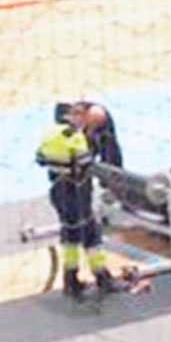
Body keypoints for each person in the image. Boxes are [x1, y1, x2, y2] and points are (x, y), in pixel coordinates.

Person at [34, 117, 116, 301]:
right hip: (77, 191)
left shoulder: (49, 134)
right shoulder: (76, 137)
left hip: (58, 192)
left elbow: (40, 158)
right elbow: (85, 162)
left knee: (70, 235)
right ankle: (102, 276)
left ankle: (70, 279)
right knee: (91, 234)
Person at [58, 100, 123, 168]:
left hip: (99, 131)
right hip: (89, 128)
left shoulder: (95, 114)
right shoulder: (71, 120)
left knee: (105, 142)